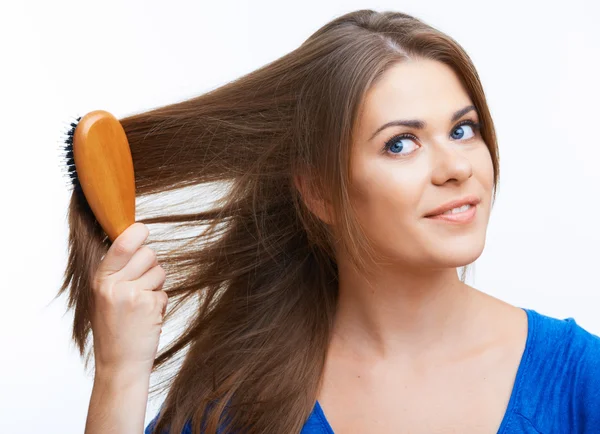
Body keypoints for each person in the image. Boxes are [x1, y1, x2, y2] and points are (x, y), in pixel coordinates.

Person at [60, 9, 600, 434]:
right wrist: (120, 374)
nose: (458, 168)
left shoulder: (580, 379)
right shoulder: (242, 403)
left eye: (463, 130)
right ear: (319, 190)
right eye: (401, 143)